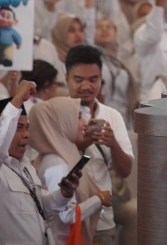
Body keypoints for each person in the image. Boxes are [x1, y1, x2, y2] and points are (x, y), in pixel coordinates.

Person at [65, 45, 134, 245]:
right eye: (78, 80)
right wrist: (79, 145)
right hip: (66, 218)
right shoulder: (53, 114)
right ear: (66, 77)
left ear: (101, 79)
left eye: (93, 79)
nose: (86, 86)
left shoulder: (112, 115)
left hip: (102, 220)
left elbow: (126, 171)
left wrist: (113, 145)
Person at [0, 80, 82, 244]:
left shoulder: (26, 167)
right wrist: (17, 99)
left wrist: (63, 194)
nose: (26, 135)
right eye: (18, 127)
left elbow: (42, 206)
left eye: (27, 128)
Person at [29, 96, 111, 244]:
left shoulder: (54, 156)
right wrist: (99, 199)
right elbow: (66, 215)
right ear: (61, 123)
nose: (83, 123)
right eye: (78, 117)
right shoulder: (57, 165)